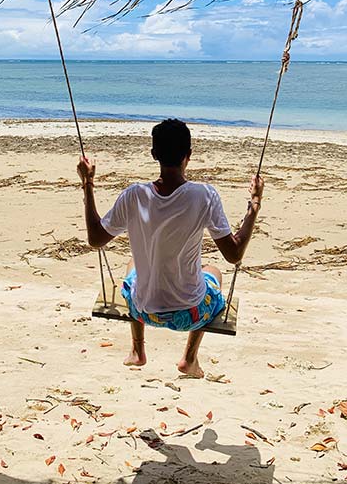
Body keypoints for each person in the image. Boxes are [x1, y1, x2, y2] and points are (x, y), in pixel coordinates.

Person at [77, 118, 264, 378]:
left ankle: (137, 350)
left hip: (142, 310)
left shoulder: (134, 195)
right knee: (214, 272)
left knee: (133, 266)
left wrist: (88, 185)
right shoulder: (204, 196)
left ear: (154, 154)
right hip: (190, 314)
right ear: (189, 155)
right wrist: (254, 205)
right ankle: (189, 358)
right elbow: (234, 254)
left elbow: (96, 239)